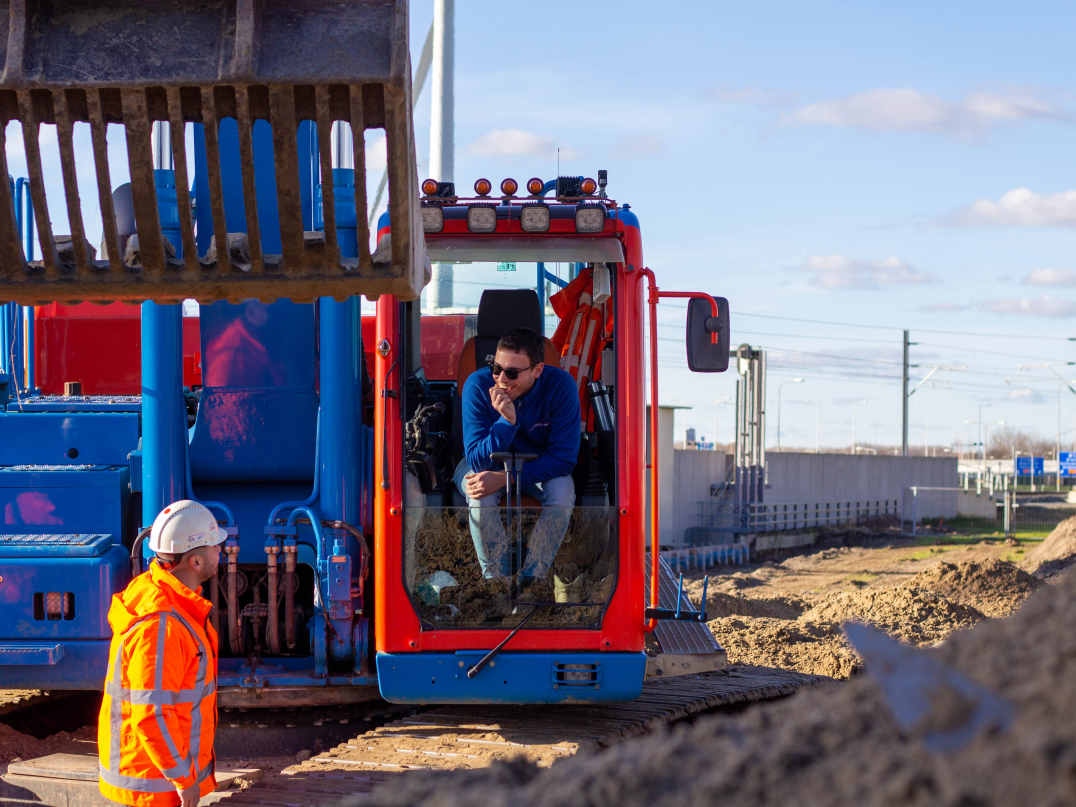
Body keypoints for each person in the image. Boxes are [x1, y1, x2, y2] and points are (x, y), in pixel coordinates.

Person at [98, 500, 224, 807]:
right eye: (214, 546)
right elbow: (151, 715)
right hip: (154, 786)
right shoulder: (161, 627)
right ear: (195, 562)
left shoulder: (162, 593)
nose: (220, 550)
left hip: (155, 774)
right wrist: (183, 779)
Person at [454, 327, 580, 585]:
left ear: (538, 370)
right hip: (483, 461)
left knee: (563, 493)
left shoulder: (561, 387)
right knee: (479, 494)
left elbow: (564, 459)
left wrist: (506, 478)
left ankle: (532, 579)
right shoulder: (478, 385)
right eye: (496, 368)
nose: (501, 379)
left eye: (512, 373)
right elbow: (477, 461)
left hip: (539, 465)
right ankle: (496, 584)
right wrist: (506, 422)